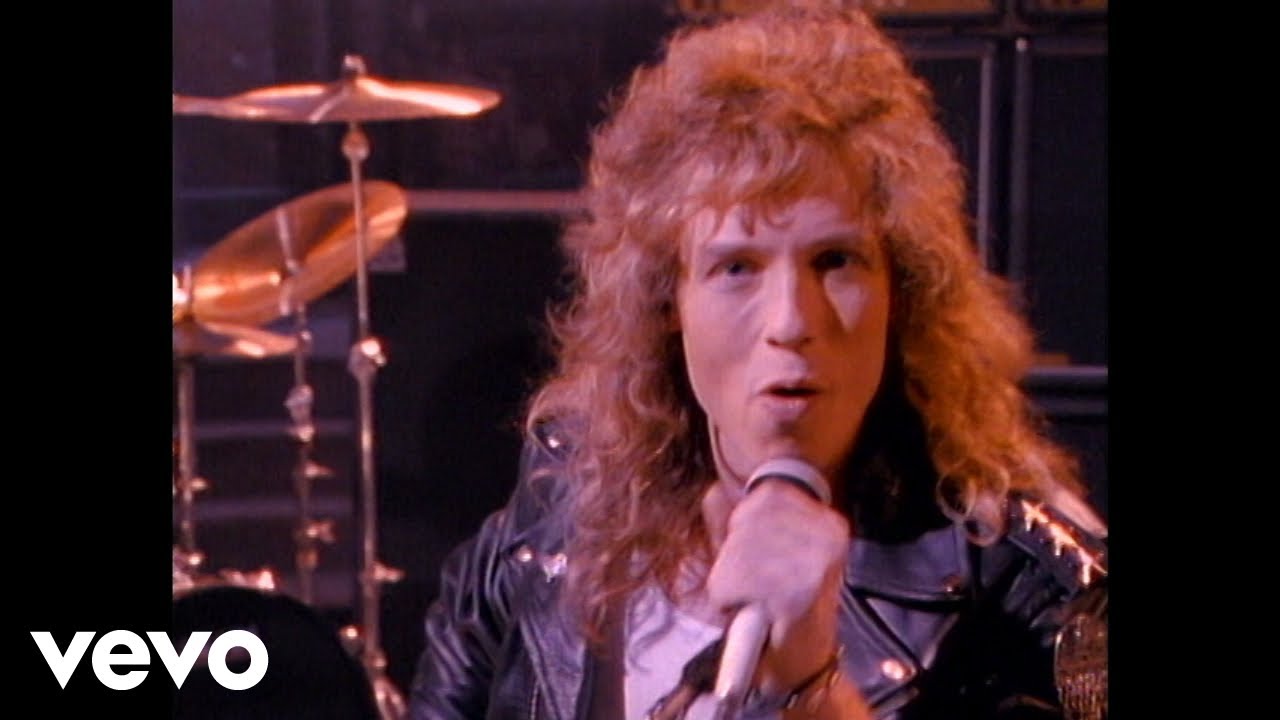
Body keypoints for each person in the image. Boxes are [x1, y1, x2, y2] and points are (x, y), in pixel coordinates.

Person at [408, 2, 1108, 719]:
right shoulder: (561, 503)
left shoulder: (1026, 584)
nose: (791, 322)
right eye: (736, 268)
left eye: (836, 261)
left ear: (901, 293)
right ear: (668, 303)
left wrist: (811, 681)